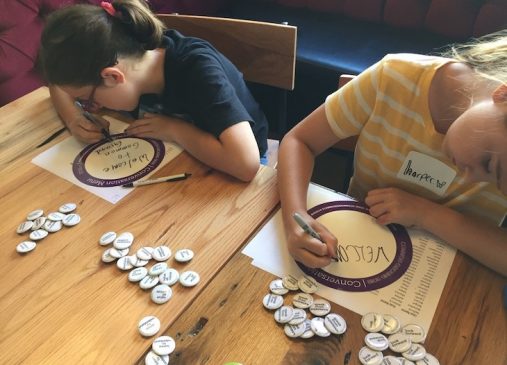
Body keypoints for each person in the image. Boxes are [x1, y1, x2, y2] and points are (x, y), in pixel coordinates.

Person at [278, 30, 507, 276]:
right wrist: (295, 218)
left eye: (496, 184)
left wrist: (426, 214)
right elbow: (300, 140)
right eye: (489, 164)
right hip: (357, 246)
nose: (470, 180)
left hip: (451, 279)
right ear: (503, 95)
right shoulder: (394, 77)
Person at [38, 0, 269, 182]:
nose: (92, 107)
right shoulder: (130, 61)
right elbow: (58, 85)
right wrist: (74, 116)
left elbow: (246, 164)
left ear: (112, 76)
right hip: (178, 155)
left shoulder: (198, 70)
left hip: (240, 163)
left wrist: (175, 130)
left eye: (86, 100)